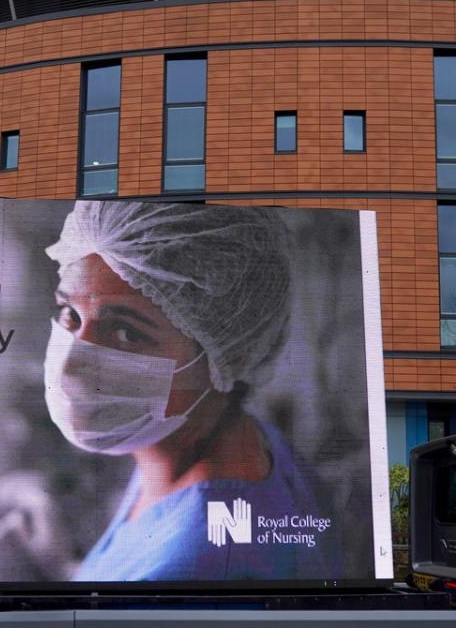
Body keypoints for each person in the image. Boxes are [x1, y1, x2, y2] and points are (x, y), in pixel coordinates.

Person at [43, 200, 338, 582]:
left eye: (126, 333)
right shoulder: (200, 442)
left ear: (230, 351)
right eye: (71, 314)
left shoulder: (185, 572)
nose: (69, 368)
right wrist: (69, 570)